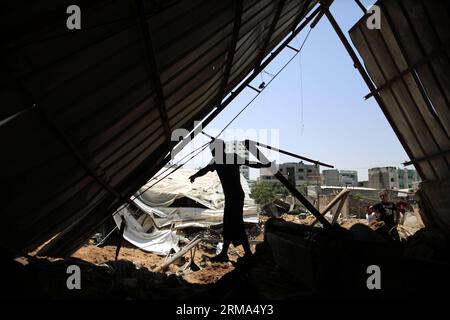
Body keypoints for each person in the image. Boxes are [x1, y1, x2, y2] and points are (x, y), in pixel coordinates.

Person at [189, 139, 271, 262]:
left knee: (236, 223)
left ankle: (246, 253)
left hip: (236, 196)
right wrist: (195, 176)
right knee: (229, 223)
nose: (212, 152)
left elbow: (250, 163)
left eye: (213, 149)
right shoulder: (219, 160)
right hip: (232, 197)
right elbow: (204, 170)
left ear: (220, 148)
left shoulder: (229, 158)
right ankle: (225, 253)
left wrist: (264, 165)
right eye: (211, 150)